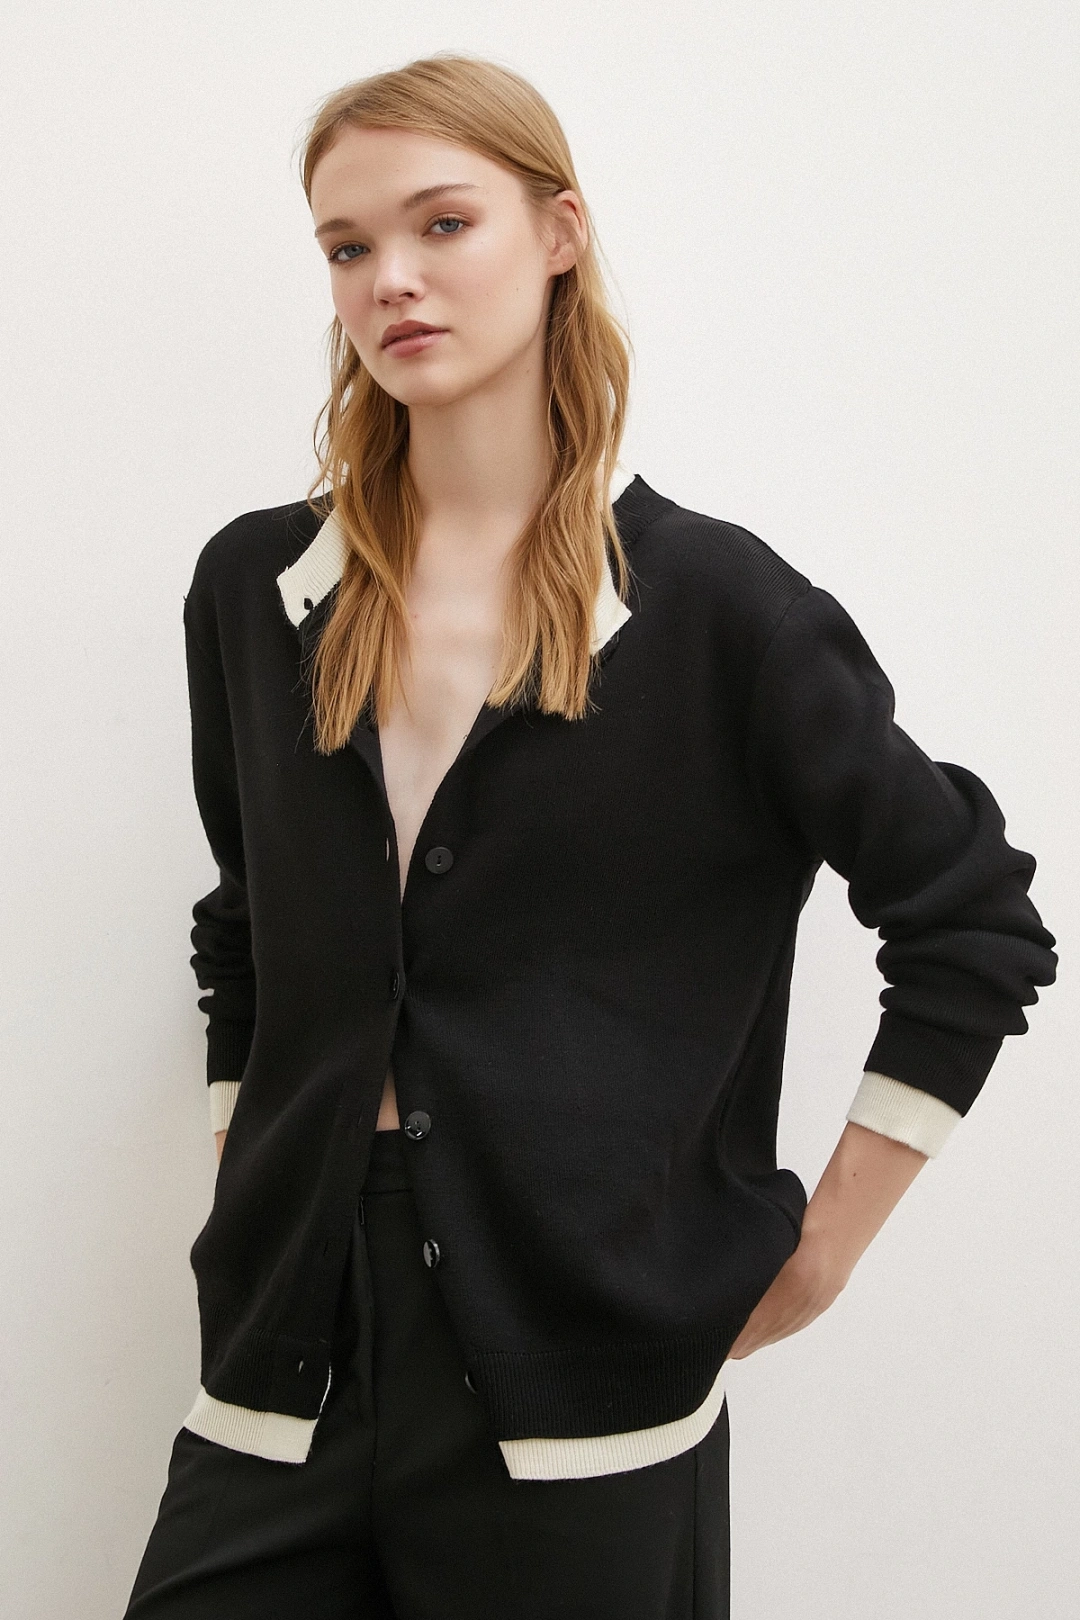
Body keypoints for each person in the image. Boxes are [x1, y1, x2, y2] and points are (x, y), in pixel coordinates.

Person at [122, 52, 1057, 1620]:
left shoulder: (722, 615)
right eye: (348, 246)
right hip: (282, 1361)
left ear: (558, 234)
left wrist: (823, 1248)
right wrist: (253, 1176)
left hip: (585, 1392)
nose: (391, 279)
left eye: (442, 224)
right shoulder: (257, 592)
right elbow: (250, 930)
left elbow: (974, 922)